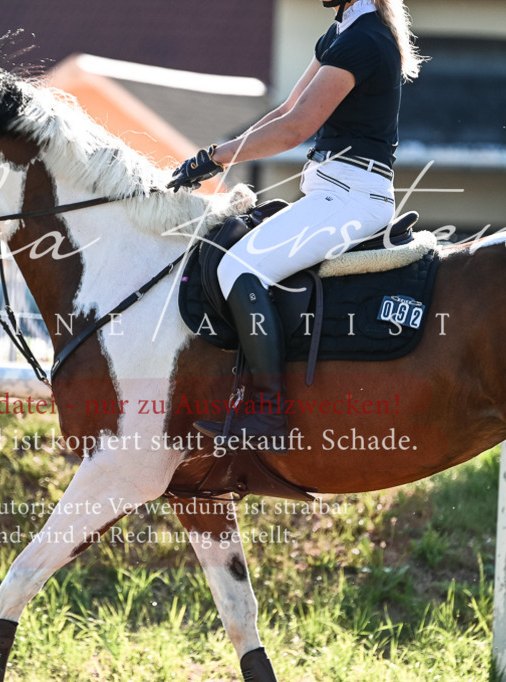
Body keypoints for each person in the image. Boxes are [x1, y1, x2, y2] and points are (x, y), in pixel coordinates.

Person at [168, 0, 425, 453]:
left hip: (352, 199)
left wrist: (215, 157)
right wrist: (214, 154)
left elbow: (295, 130)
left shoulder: (364, 40)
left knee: (238, 269)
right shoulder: (342, 33)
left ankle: (269, 411)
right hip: (330, 193)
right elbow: (286, 111)